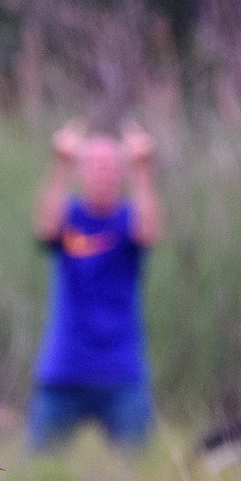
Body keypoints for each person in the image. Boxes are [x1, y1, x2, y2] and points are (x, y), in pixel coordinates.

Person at [28, 119, 163, 451]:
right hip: (65, 368)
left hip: (120, 369)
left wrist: (143, 169)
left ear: (121, 175)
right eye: (93, 167)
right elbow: (45, 229)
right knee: (39, 470)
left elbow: (149, 232)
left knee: (140, 476)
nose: (102, 175)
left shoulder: (127, 220)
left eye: (110, 168)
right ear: (81, 173)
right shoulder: (69, 217)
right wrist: (60, 164)